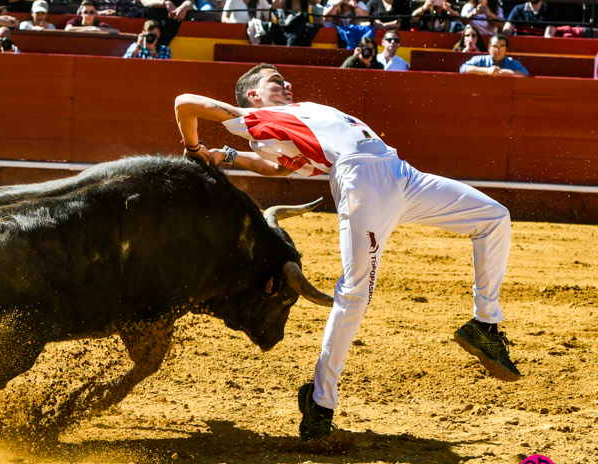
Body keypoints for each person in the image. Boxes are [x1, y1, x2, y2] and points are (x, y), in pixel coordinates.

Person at [174, 63, 517, 441]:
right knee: (356, 293)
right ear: (253, 95)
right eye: (275, 81)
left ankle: (484, 325)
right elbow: (184, 102)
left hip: (402, 173)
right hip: (362, 179)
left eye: (285, 80)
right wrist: (195, 149)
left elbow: (275, 167)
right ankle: (321, 404)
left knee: (494, 217)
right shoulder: (256, 115)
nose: (287, 83)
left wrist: (226, 156)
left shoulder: (286, 125)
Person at [460, 33, 528, 76]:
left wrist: (501, 72)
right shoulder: (480, 59)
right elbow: (463, 68)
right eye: (495, 46)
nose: (498, 50)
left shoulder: (512, 62)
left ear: (506, 49)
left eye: (501, 46)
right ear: (489, 48)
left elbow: (525, 74)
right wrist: (487, 71)